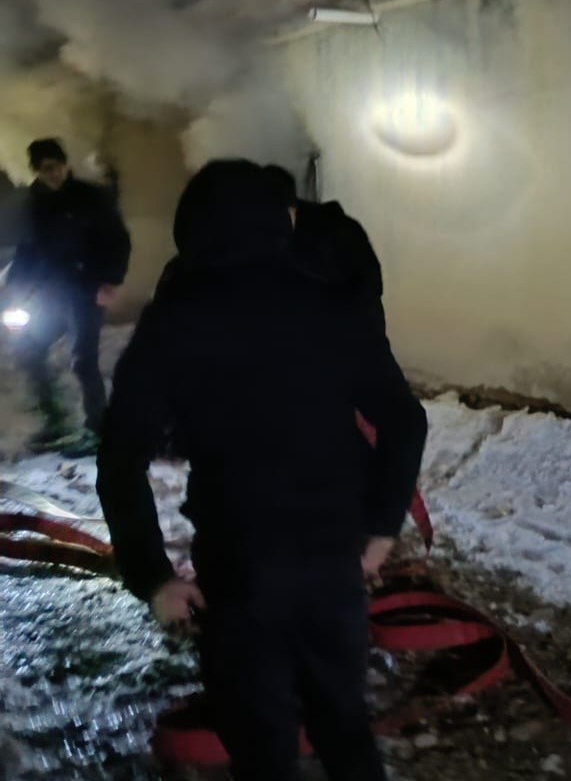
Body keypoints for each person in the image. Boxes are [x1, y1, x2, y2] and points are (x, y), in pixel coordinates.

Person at [96, 160, 428, 781]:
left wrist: (155, 578)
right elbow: (405, 421)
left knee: (261, 738)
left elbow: (120, 459)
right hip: (337, 556)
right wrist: (381, 535)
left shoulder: (171, 320)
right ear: (279, 223)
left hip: (242, 566)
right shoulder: (332, 303)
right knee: (343, 722)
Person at [5, 137, 131, 453]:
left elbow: (118, 240)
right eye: (46, 169)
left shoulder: (91, 197)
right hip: (50, 294)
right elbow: (27, 252)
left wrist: (110, 281)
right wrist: (12, 293)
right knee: (29, 348)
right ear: (36, 170)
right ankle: (55, 419)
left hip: (86, 292)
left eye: (57, 166)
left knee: (82, 360)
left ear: (65, 164)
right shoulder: (35, 204)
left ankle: (98, 430)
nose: (54, 174)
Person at [262, 165, 385, 334]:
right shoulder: (284, 233)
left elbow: (367, 287)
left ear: (291, 210)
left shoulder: (337, 233)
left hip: (354, 333)